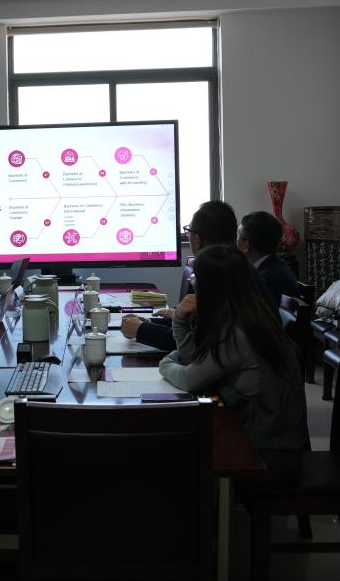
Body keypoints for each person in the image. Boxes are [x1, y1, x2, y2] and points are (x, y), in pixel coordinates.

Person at [158, 242, 308, 486]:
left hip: (268, 457)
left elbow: (188, 378)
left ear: (212, 287)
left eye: (196, 279)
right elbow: (193, 361)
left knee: (175, 463)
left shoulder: (237, 332)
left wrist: (165, 363)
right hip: (263, 440)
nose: (194, 285)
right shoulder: (247, 315)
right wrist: (180, 322)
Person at [122, 200, 237, 351]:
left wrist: (141, 329)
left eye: (189, 232)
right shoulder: (236, 268)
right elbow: (195, 326)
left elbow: (191, 344)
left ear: (197, 239)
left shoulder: (215, 276)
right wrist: (148, 324)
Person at [238, 210, 298, 305]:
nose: (236, 241)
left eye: (238, 236)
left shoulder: (265, 279)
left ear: (246, 245)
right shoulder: (274, 263)